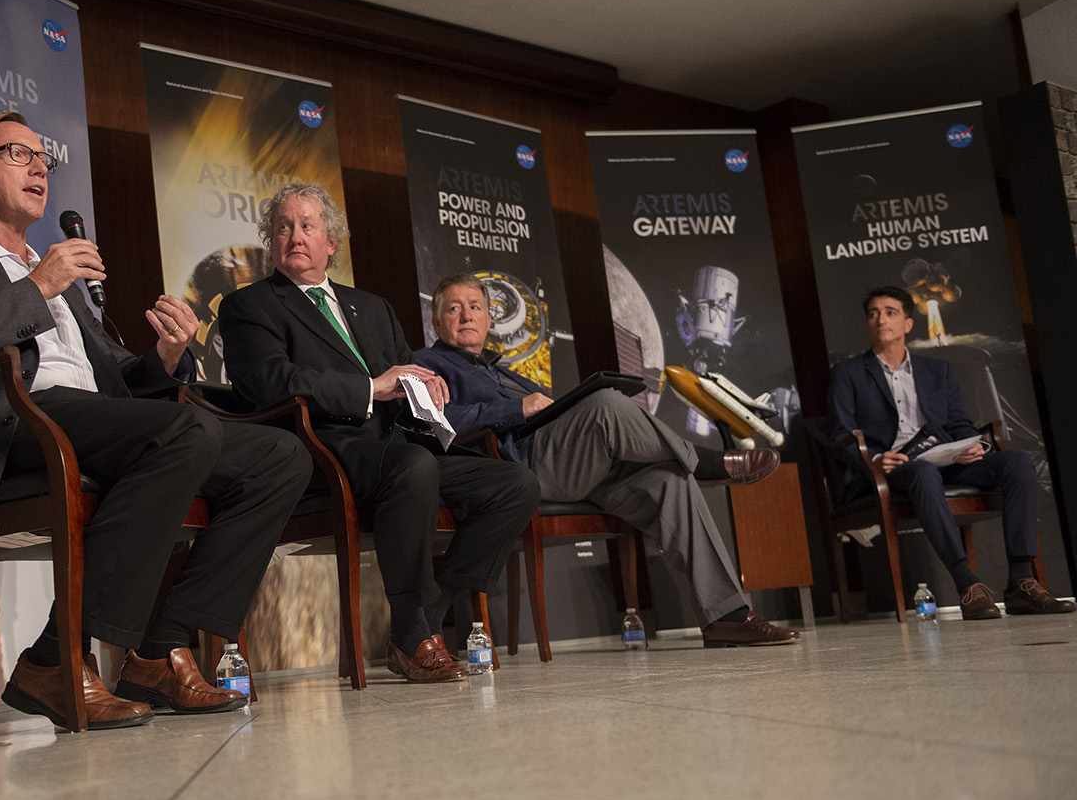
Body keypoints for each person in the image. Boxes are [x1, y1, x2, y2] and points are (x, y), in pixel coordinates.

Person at [0, 112, 311, 729]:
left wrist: (164, 359)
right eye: (16, 154)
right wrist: (38, 286)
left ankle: (157, 651)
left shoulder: (52, 266)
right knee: (186, 431)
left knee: (280, 457)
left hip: (83, 419)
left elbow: (113, 383)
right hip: (5, 422)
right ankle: (57, 660)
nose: (38, 167)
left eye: (42, 158)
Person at [216, 183, 540, 682]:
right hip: (323, 449)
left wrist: (425, 391)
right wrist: (372, 387)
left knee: (514, 485)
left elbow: (401, 379)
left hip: (402, 447)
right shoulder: (250, 307)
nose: (295, 237)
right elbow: (271, 383)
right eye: (283, 227)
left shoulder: (371, 305)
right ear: (270, 241)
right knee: (414, 466)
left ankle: (425, 613)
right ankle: (414, 635)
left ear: (331, 243)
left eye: (307, 226)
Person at [413, 274, 799, 647]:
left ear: (488, 318)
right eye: (454, 308)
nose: (466, 316)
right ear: (436, 319)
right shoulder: (426, 364)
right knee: (607, 404)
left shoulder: (503, 371)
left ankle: (727, 617)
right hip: (521, 470)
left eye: (475, 307)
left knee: (671, 480)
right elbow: (435, 423)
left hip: (577, 467)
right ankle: (706, 462)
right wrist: (517, 408)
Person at [826, 285, 1072, 619]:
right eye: (873, 314)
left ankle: (1021, 581)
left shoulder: (936, 370)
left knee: (1016, 463)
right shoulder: (849, 373)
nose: (880, 319)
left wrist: (971, 446)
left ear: (908, 324)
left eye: (890, 312)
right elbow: (840, 434)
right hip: (895, 467)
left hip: (947, 459)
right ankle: (967, 583)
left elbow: (960, 423)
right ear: (867, 324)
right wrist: (876, 459)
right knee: (923, 472)